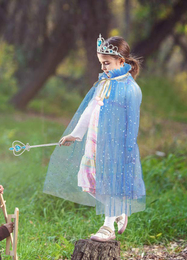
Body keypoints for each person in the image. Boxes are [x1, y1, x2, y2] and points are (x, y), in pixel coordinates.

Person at [44, 34, 146, 242]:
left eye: (106, 63)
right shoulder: (103, 83)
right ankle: (118, 211)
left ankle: (108, 226)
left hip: (115, 146)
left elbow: (132, 123)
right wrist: (75, 134)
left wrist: (127, 150)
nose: (104, 68)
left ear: (121, 61)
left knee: (109, 183)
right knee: (90, 181)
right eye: (101, 64)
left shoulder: (131, 89)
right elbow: (89, 110)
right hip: (95, 141)